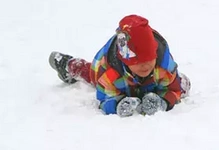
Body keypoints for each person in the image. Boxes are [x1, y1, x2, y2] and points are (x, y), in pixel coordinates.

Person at [48, 14, 190, 117]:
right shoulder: (110, 73)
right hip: (113, 77)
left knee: (182, 84)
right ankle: (69, 66)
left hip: (151, 82)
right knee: (91, 75)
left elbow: (174, 90)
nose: (145, 65)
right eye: (138, 62)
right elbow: (103, 99)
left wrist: (163, 102)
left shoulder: (163, 67)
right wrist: (118, 105)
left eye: (149, 59)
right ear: (125, 60)